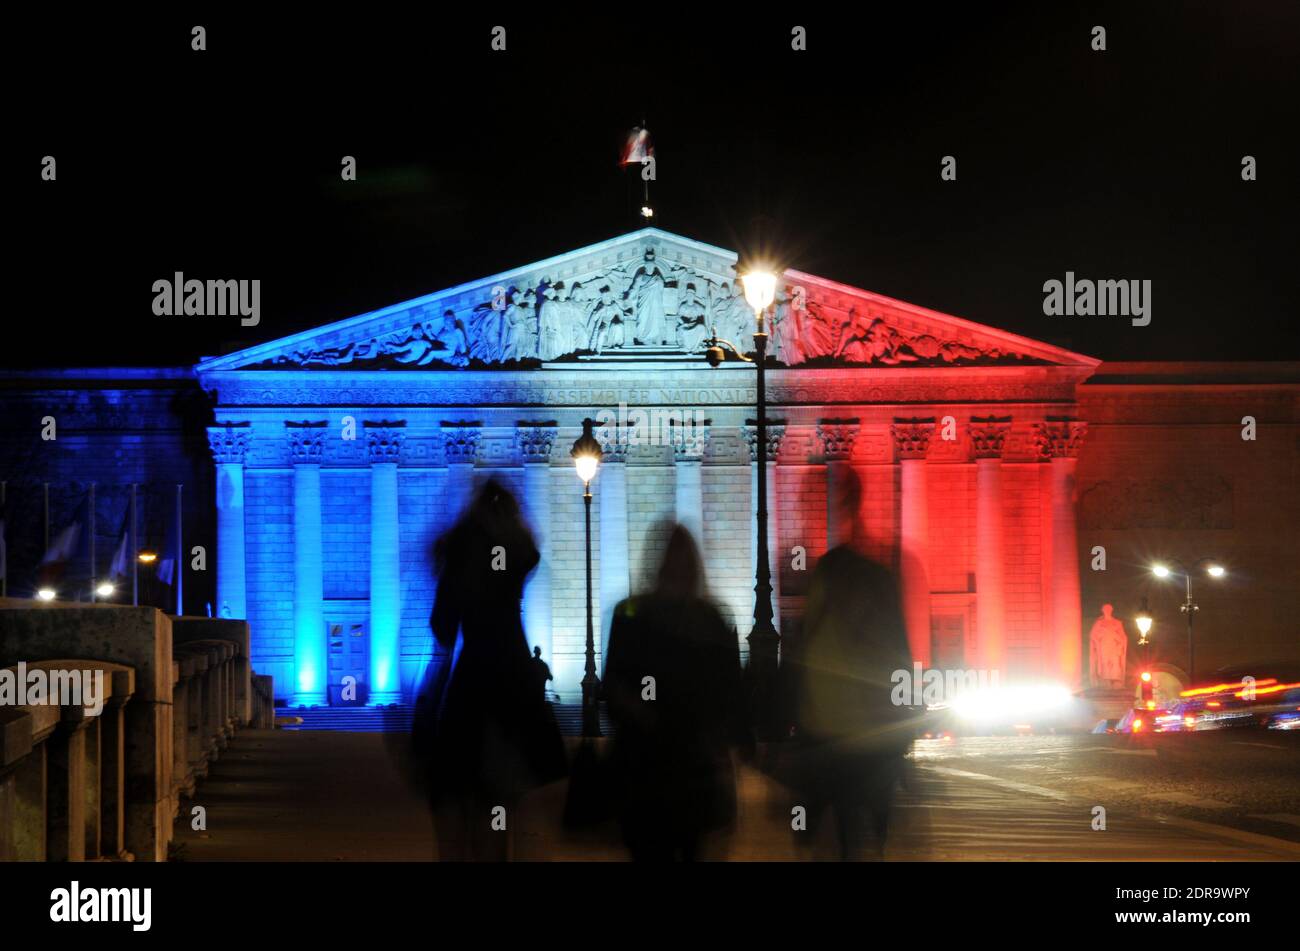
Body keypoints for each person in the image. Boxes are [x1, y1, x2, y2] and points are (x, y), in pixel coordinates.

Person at [415, 478, 567, 860]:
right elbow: (527, 553)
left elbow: (443, 628)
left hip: (472, 689)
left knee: (462, 796)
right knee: (501, 802)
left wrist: (456, 549)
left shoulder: (462, 558)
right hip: (514, 688)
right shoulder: (517, 556)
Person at [779, 467, 916, 859]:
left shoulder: (836, 573)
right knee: (860, 837)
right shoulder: (871, 574)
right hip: (857, 735)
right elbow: (898, 658)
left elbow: (803, 654)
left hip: (835, 733)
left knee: (837, 836)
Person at [603, 523, 749, 861]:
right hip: (692, 768)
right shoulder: (713, 618)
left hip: (645, 767)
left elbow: (612, 689)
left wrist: (641, 712)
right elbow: (732, 696)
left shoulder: (629, 614)